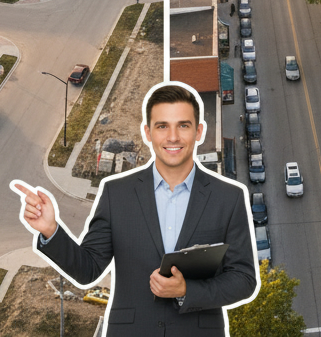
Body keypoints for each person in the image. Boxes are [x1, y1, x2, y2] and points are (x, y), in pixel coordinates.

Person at [13, 83, 258, 336]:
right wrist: (52, 230)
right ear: (147, 133)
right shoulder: (116, 194)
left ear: (198, 132)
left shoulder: (229, 198)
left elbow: (243, 280)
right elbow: (88, 270)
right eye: (162, 126)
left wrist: (187, 291)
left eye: (183, 125)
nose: (172, 137)